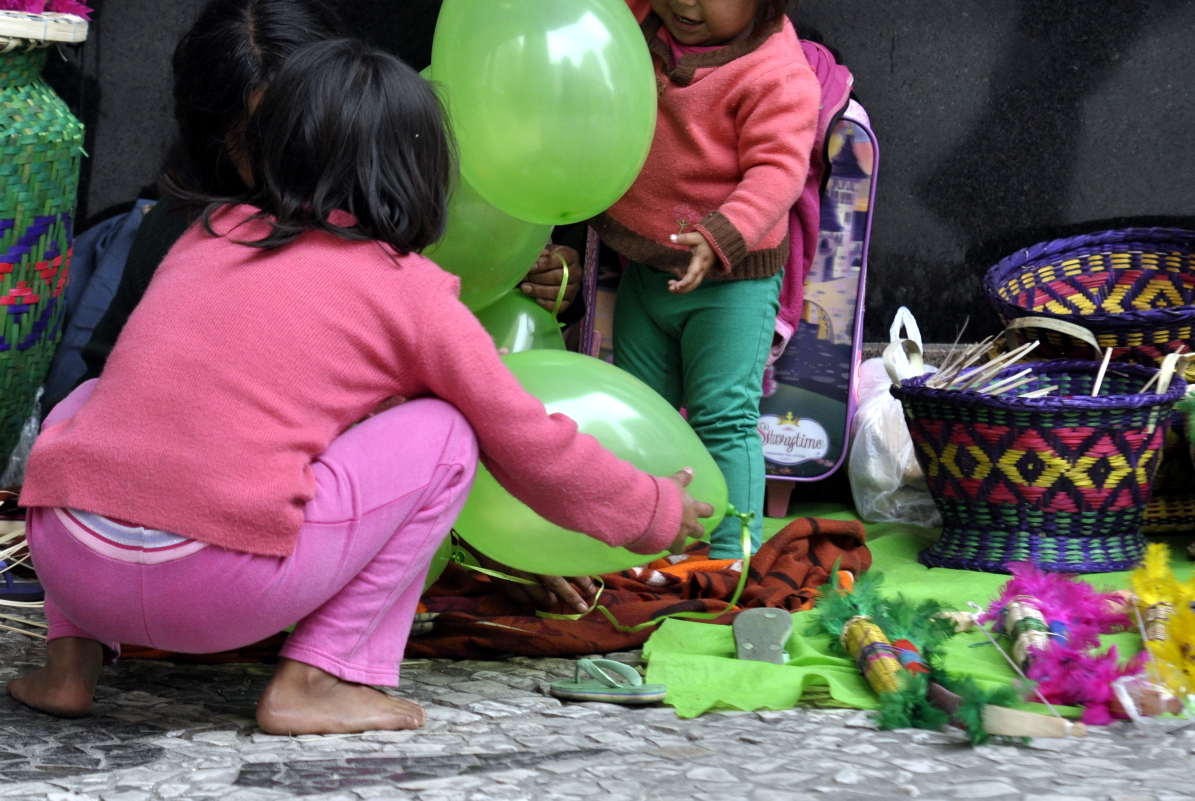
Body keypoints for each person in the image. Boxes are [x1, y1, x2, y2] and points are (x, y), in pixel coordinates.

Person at [7, 39, 712, 735]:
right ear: (420, 174)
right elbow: (527, 441)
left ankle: (70, 669)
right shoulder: (410, 291)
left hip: (73, 566)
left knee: (92, 401)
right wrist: (650, 508)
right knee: (449, 434)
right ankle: (315, 680)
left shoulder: (209, 232)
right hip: (216, 590)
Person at [62, 0, 590, 613]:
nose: (302, 159)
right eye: (266, 140)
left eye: (313, 131)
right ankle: (325, 673)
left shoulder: (385, 218)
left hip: (112, 567)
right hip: (234, 545)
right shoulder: (188, 236)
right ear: (217, 137)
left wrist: (507, 533)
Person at [589, 0, 819, 558]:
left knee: (724, 417)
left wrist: (723, 234)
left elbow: (779, 168)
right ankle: (651, 543)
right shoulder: (642, 24)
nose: (685, 3)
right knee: (646, 415)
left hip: (731, 285)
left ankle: (731, 554)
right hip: (648, 267)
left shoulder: (775, 71)